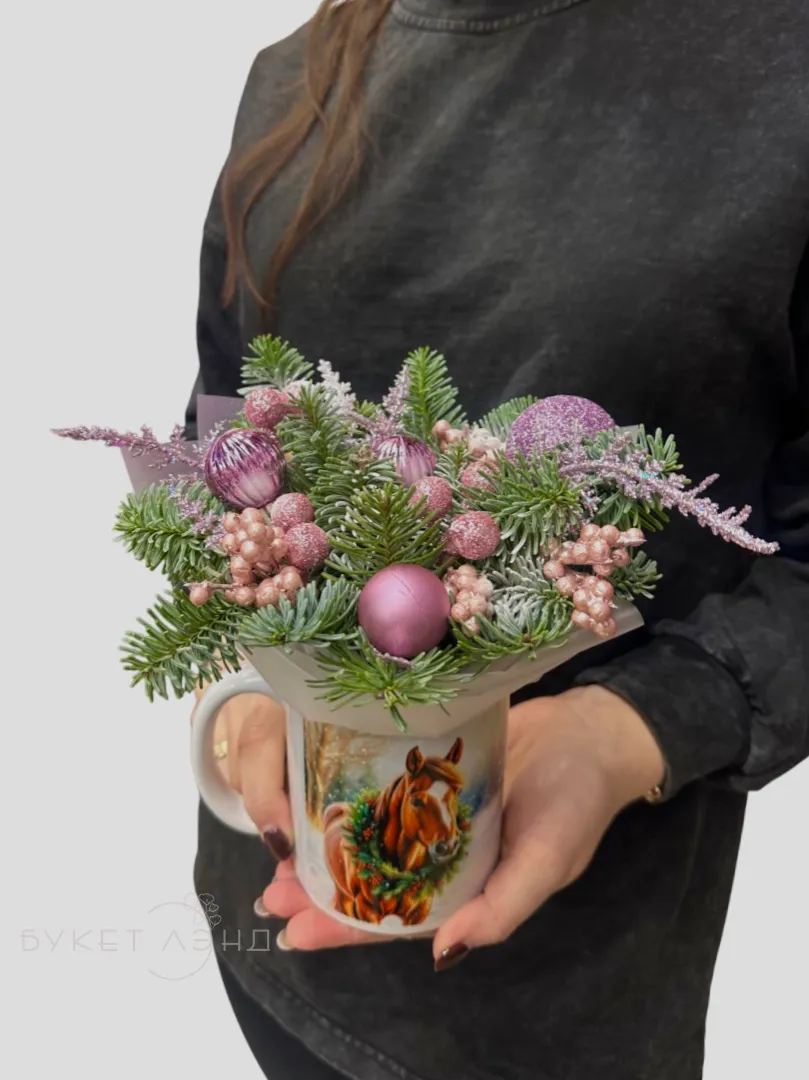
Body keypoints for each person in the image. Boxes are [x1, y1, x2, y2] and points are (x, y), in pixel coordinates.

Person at [185, 2, 809, 1078]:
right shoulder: (293, 78)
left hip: (561, 1010)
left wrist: (626, 729)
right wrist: (239, 696)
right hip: (273, 940)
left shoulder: (775, 68)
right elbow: (224, 439)